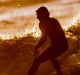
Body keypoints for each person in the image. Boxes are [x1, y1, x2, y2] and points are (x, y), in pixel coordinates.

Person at [28, 6, 68, 75]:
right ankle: (59, 73)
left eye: (38, 15)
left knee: (43, 58)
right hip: (58, 45)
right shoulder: (43, 23)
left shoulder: (53, 21)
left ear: (43, 14)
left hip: (62, 45)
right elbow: (44, 37)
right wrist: (37, 47)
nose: (37, 18)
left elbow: (60, 34)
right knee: (48, 57)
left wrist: (37, 47)